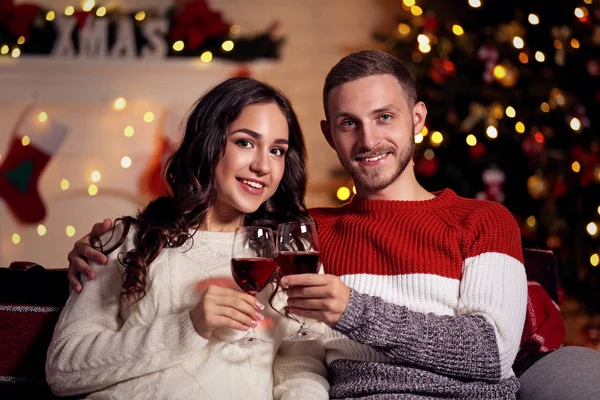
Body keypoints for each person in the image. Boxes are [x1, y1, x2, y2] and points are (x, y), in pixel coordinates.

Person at [65, 51, 600, 399]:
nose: (368, 140)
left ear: (417, 119)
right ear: (328, 134)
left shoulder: (481, 219)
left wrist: (353, 309)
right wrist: (104, 249)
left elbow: (488, 353)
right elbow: (206, 249)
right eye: (349, 123)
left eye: (385, 117)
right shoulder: (298, 234)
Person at [45, 77, 326, 399]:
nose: (263, 165)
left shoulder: (290, 254)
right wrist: (189, 325)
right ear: (208, 143)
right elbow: (63, 368)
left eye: (277, 151)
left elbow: (301, 366)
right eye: (245, 142)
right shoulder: (128, 240)